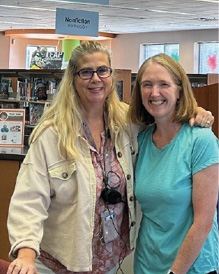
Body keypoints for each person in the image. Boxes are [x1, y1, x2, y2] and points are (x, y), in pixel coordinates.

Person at [7, 41, 214, 274]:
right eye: (86, 72)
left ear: (111, 75)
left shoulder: (128, 123)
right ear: (73, 79)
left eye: (102, 70)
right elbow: (28, 201)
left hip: (112, 263)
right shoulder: (52, 135)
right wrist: (25, 255)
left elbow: (165, 115)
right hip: (60, 265)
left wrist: (195, 112)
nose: (95, 78)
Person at [128, 53, 219, 274]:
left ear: (179, 90)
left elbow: (204, 222)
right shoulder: (140, 140)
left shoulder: (201, 141)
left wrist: (175, 272)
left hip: (191, 267)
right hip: (147, 264)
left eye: (164, 85)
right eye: (147, 85)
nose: (154, 92)